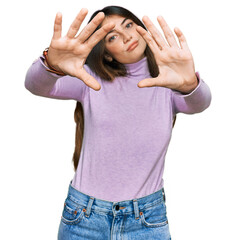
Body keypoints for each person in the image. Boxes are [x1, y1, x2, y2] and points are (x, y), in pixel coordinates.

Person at [25, 5, 211, 240]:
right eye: (113, 36)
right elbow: (36, 85)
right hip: (84, 217)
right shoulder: (90, 79)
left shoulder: (166, 81)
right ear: (106, 53)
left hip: (146, 219)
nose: (127, 36)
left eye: (129, 25)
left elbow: (200, 103)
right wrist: (51, 65)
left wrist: (187, 85)